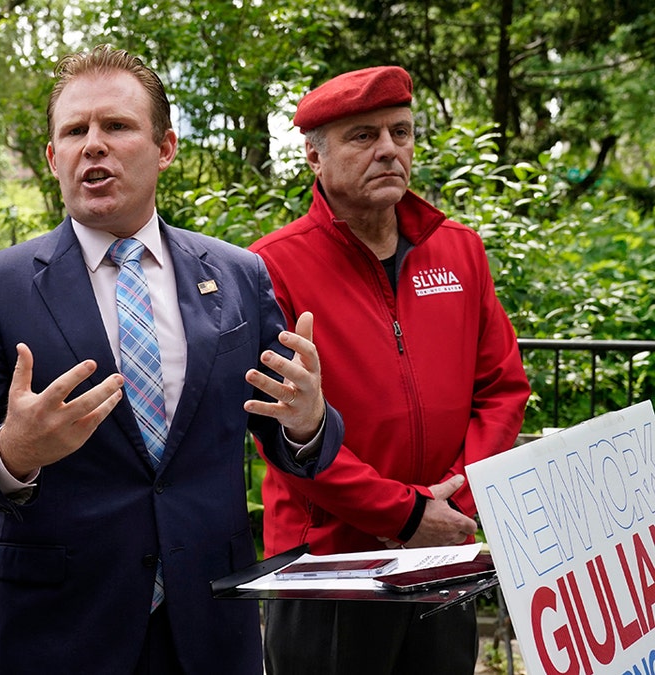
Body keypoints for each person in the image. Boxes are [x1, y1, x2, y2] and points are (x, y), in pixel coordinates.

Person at [0, 45, 344, 674]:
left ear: (165, 147)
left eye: (116, 126)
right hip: (61, 629)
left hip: (209, 622)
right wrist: (13, 453)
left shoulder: (237, 275)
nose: (94, 144)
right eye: (74, 131)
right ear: (52, 157)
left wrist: (307, 421)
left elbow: (292, 440)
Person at [249, 65, 531, 675]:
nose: (388, 150)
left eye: (400, 132)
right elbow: (281, 432)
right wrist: (402, 514)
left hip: (442, 550)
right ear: (314, 158)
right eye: (362, 136)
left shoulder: (459, 250)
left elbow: (503, 389)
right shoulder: (270, 268)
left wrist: (458, 502)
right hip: (328, 566)